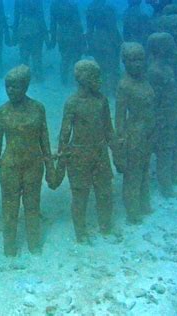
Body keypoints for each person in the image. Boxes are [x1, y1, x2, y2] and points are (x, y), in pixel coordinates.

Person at [0, 65, 55, 256]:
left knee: (33, 206)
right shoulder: (2, 112)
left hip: (34, 165)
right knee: (9, 208)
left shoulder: (38, 109)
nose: (10, 90)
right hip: (9, 166)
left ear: (25, 86)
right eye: (7, 86)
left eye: (14, 87)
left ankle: (34, 244)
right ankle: (9, 248)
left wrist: (50, 169)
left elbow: (45, 142)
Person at [55, 60, 116, 243]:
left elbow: (108, 128)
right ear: (84, 79)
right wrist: (60, 165)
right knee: (80, 195)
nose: (100, 81)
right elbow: (64, 134)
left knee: (105, 192)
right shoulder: (72, 103)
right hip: (79, 155)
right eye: (95, 77)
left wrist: (117, 153)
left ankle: (106, 226)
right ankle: (80, 233)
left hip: (100, 153)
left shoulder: (102, 100)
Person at [114, 43, 155, 224]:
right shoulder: (124, 85)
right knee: (133, 174)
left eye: (140, 59)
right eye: (132, 60)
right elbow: (120, 117)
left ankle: (144, 204)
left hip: (147, 133)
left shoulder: (144, 80)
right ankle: (132, 211)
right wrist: (121, 144)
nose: (137, 64)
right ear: (124, 62)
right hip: (134, 134)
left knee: (145, 170)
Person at [147, 32, 177, 197]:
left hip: (173, 115)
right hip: (163, 120)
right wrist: (158, 121)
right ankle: (165, 185)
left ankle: (173, 176)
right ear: (161, 49)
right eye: (169, 45)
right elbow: (154, 101)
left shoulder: (166, 68)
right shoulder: (154, 72)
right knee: (164, 151)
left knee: (173, 146)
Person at [86, 0, 122, 95]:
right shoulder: (108, 8)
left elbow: (89, 30)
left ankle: (102, 89)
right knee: (113, 66)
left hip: (96, 39)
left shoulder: (90, 8)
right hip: (108, 40)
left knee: (100, 67)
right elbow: (113, 28)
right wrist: (119, 43)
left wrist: (89, 45)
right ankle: (114, 90)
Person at [49, 0, 85, 85]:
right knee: (76, 59)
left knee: (65, 58)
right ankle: (77, 81)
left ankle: (64, 81)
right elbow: (78, 23)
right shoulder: (72, 4)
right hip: (74, 34)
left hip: (62, 35)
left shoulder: (54, 5)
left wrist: (53, 40)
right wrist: (82, 39)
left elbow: (53, 24)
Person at [12, 0, 49, 82]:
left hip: (23, 31)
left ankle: (24, 78)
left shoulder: (18, 2)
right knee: (37, 57)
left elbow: (16, 18)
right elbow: (41, 17)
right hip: (36, 31)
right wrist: (46, 36)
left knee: (24, 57)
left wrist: (14, 35)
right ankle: (38, 77)